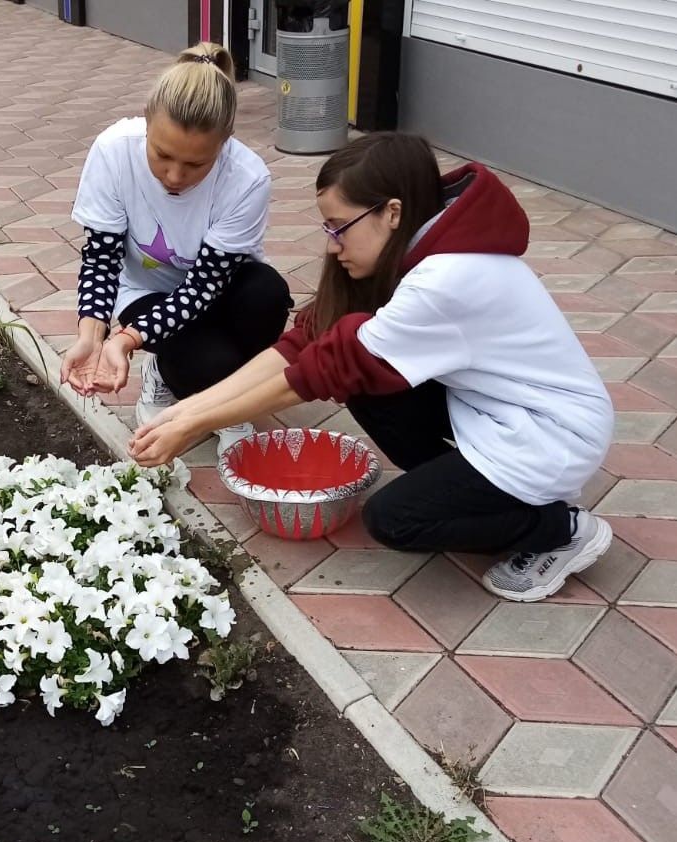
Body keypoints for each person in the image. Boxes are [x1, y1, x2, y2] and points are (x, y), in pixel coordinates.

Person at [127, 131, 615, 603]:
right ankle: (485, 496)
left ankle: (560, 530)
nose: (333, 245)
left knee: (394, 520)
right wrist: (187, 410)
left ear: (392, 213)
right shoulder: (424, 245)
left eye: (338, 227)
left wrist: (194, 423)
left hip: (553, 433)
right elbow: (307, 345)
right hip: (499, 408)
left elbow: (316, 374)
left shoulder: (444, 280)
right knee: (365, 386)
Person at [59, 41, 292, 456]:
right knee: (206, 364)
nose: (174, 175)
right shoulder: (113, 152)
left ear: (225, 143)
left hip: (217, 288)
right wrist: (93, 336)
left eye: (197, 164)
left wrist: (127, 339)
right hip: (145, 293)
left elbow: (203, 287)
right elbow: (101, 259)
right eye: (162, 154)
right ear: (146, 123)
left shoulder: (247, 178)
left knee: (268, 294)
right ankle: (177, 375)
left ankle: (223, 393)